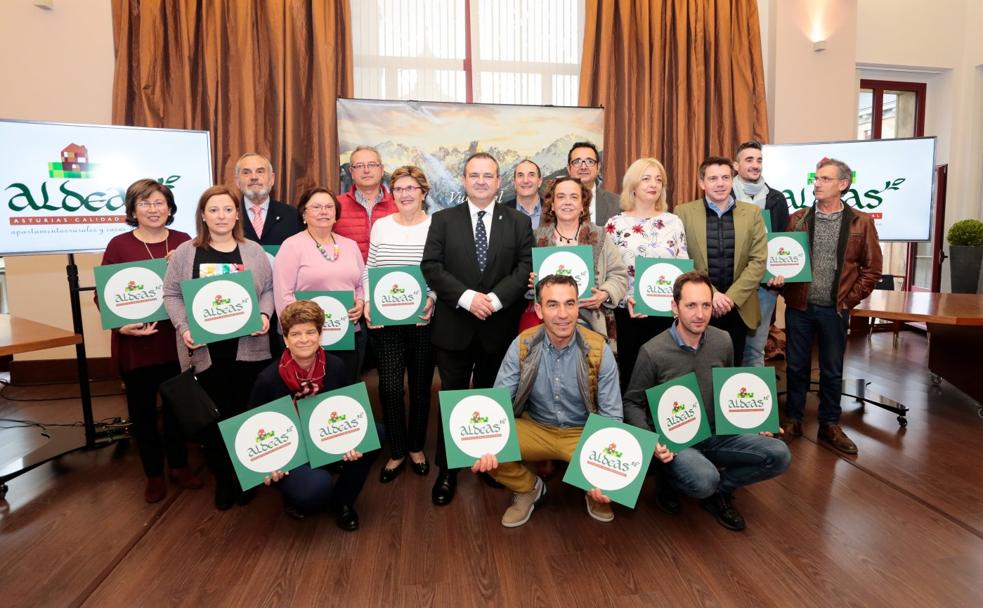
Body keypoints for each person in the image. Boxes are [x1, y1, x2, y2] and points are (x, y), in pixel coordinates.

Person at [623, 271, 791, 531]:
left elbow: (730, 392)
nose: (700, 314)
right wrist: (652, 441)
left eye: (706, 305)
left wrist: (754, 422)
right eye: (690, 305)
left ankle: (720, 490)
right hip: (677, 442)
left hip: (717, 434)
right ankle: (668, 477)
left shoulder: (722, 340)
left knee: (779, 455)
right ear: (674, 307)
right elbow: (632, 403)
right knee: (703, 480)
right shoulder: (652, 351)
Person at [421, 152, 533, 506]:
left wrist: (496, 300)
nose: (481, 181)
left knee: (491, 399)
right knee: (452, 398)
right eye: (474, 175)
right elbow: (432, 266)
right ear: (464, 180)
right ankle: (448, 470)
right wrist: (467, 298)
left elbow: (525, 267)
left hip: (498, 326)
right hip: (454, 325)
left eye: (488, 175)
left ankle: (489, 466)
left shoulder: (517, 222)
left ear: (499, 181)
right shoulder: (442, 219)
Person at [471, 274, 627, 527]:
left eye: (570, 303)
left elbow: (612, 417)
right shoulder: (522, 344)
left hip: (582, 433)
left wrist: (606, 473)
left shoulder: (600, 349)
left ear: (578, 307)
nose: (563, 314)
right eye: (553, 304)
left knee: (616, 475)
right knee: (477, 445)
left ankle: (594, 491)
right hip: (536, 427)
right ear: (539, 310)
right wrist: (485, 443)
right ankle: (529, 489)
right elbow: (497, 403)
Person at [162, 185, 274, 510]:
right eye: (213, 210)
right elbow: (171, 294)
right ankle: (224, 480)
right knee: (211, 421)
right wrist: (183, 327)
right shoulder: (186, 252)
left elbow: (267, 289)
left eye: (227, 209)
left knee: (243, 415)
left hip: (247, 351)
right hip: (204, 352)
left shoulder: (253, 250)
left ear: (237, 214)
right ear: (203, 215)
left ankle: (245, 477)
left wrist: (265, 315)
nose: (221, 216)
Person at [99, 178, 202, 503]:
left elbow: (200, 287)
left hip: (176, 342)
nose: (153, 209)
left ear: (170, 208)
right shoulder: (119, 245)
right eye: (144, 203)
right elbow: (105, 298)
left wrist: (180, 267)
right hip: (137, 347)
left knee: (177, 411)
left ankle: (180, 466)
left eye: (159, 202)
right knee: (142, 415)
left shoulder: (186, 241)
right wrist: (122, 327)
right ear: (132, 210)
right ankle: (154, 475)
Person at [782, 158, 883, 455]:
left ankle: (829, 424)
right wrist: (781, 282)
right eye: (816, 179)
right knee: (797, 366)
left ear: (843, 184)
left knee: (832, 369)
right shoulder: (798, 218)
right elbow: (785, 260)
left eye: (825, 179)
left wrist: (847, 301)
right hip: (799, 307)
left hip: (835, 310)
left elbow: (872, 269)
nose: (818, 183)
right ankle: (795, 419)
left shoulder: (860, 222)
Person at [249, 300, 377, 530]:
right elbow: (253, 430)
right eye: (296, 334)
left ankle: (343, 502)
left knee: (374, 433)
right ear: (286, 339)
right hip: (290, 451)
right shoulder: (268, 379)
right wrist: (267, 466)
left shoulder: (336, 366)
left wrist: (352, 441)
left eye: (310, 332)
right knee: (316, 489)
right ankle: (295, 494)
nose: (304, 339)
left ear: (320, 334)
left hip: (325, 437)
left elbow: (349, 410)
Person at [363, 166, 436, 483]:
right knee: (390, 388)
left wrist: (431, 297)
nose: (405, 194)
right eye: (399, 189)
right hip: (386, 322)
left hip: (422, 321)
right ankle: (397, 450)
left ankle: (417, 447)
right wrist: (368, 301)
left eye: (411, 188)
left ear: (423, 192)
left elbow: (438, 271)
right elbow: (370, 267)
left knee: (421, 388)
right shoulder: (381, 226)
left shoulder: (436, 227)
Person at [675, 156, 768, 365]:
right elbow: (682, 260)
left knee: (731, 370)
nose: (720, 183)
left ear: (732, 180)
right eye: (713, 178)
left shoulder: (752, 213)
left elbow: (758, 261)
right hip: (698, 306)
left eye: (726, 177)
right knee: (696, 367)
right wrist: (713, 295)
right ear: (701, 183)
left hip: (738, 307)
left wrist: (731, 298)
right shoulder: (683, 213)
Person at [605, 157, 688, 390]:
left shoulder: (673, 222)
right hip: (629, 312)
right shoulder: (614, 224)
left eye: (659, 180)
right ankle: (634, 426)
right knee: (632, 379)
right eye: (646, 178)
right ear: (633, 185)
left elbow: (683, 269)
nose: (654, 184)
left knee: (666, 379)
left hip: (667, 315)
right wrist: (624, 299)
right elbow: (608, 273)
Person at [273, 187, 366, 384]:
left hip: (346, 334)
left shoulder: (349, 245)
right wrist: (298, 333)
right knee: (310, 397)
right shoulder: (292, 246)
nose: (323, 211)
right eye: (316, 207)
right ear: (304, 213)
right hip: (306, 341)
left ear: (336, 214)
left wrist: (360, 302)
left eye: (328, 207)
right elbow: (283, 294)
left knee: (344, 392)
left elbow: (360, 284)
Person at [530, 176, 628, 345]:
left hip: (594, 325)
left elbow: (619, 276)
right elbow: (524, 281)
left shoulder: (600, 236)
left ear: (583, 205)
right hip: (547, 328)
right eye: (561, 197)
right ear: (552, 205)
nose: (567, 202)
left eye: (574, 197)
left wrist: (604, 294)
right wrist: (531, 283)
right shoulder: (536, 238)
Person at [732, 141, 790, 367]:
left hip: (765, 287)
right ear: (736, 165)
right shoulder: (724, 195)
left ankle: (754, 402)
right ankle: (724, 400)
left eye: (759, 160)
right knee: (728, 346)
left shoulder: (776, 199)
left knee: (755, 350)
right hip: (731, 285)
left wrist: (780, 277)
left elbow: (783, 241)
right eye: (749, 160)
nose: (755, 165)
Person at [335, 145, 398, 261]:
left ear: (382, 169)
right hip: (349, 277)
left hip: (389, 277)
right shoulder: (334, 206)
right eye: (359, 166)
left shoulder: (398, 205)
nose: (366, 170)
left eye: (372, 165)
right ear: (351, 172)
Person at [235, 152, 302, 246]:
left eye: (260, 171)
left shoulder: (292, 215)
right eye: (246, 172)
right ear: (237, 181)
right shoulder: (228, 216)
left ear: (272, 179)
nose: (254, 177)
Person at [566, 141, 619, 226]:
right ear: (569, 168)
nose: (583, 167)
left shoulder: (617, 203)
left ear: (598, 167)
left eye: (590, 161)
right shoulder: (554, 203)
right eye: (577, 162)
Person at [501, 159, 544, 229]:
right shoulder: (501, 213)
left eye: (531, 175)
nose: (525, 180)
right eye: (520, 175)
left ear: (539, 182)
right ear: (514, 182)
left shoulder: (553, 211)